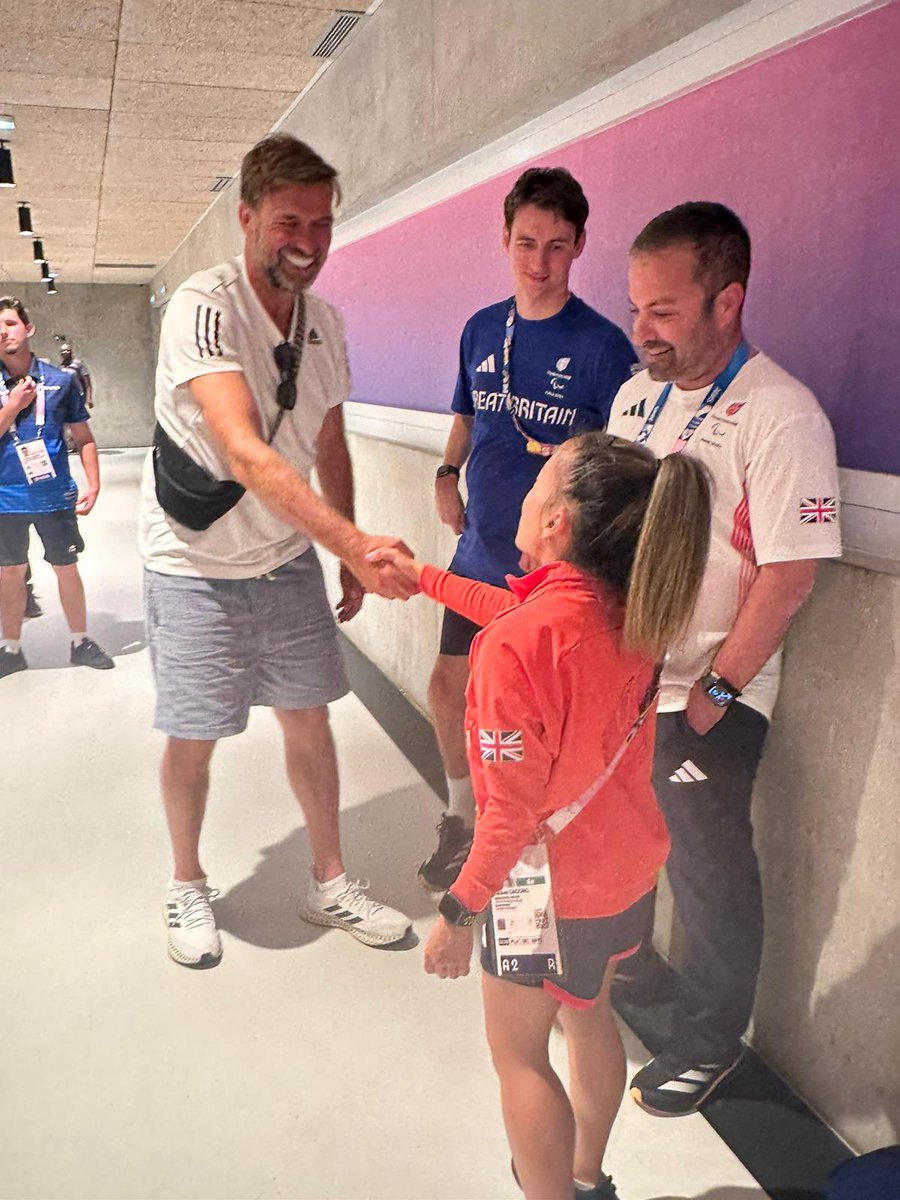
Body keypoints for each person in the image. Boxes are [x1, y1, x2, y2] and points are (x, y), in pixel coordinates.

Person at [370, 433, 712, 1200]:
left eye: (537, 483)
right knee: (590, 1017)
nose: (524, 494)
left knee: (519, 1058)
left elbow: (509, 818)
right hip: (624, 874)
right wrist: (425, 577)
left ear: (556, 523)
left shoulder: (513, 650)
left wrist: (458, 913)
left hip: (545, 892)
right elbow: (526, 614)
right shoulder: (634, 608)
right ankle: (588, 1179)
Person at [139, 133, 417, 970]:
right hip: (193, 564)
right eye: (290, 220)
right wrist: (360, 544)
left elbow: (327, 438)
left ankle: (328, 881)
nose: (308, 240)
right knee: (194, 731)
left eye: (323, 223)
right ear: (249, 216)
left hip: (285, 558)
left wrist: (340, 544)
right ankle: (187, 881)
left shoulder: (325, 323)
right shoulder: (205, 305)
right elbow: (248, 453)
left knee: (311, 718)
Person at [607, 202, 842, 1116]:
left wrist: (713, 691)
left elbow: (790, 573)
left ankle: (712, 1042)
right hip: (629, 681)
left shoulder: (782, 413)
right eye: (635, 309)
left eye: (663, 311)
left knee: (708, 866)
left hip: (711, 689)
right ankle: (635, 975)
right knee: (627, 841)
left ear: (727, 300)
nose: (643, 331)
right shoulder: (636, 397)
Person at [421, 166, 637, 893]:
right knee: (449, 690)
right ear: (505, 240)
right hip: (479, 546)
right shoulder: (481, 328)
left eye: (556, 246)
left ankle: (518, 843)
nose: (539, 263)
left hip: (553, 573)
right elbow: (467, 416)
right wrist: (447, 474)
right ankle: (461, 818)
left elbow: (622, 465)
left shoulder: (604, 347)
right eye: (525, 244)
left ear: (579, 247)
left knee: (522, 718)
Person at [0, 297, 114, 678]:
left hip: (54, 496)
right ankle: (11, 649)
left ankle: (81, 641)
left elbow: (84, 437)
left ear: (28, 329)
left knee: (66, 566)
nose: (3, 332)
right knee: (9, 573)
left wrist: (93, 484)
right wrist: (12, 407)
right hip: (5, 499)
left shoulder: (62, 380)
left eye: (11, 323)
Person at [57, 336, 94, 409]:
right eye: (63, 351)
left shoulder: (78, 364)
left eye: (67, 350)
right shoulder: (60, 368)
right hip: (65, 398)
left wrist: (89, 398)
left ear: (71, 352)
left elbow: (87, 382)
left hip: (78, 396)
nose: (65, 352)